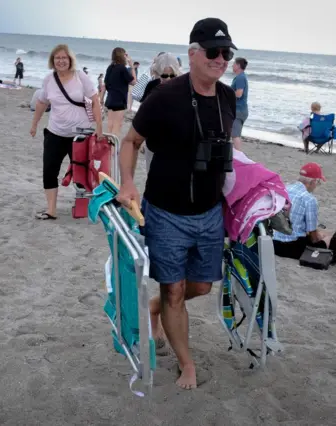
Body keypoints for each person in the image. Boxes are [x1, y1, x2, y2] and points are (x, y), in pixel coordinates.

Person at [116, 17, 237, 390]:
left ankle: (156, 311)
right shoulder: (164, 97)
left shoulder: (228, 98)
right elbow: (130, 141)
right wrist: (128, 182)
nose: (220, 60)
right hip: (166, 212)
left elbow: (228, 148)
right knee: (174, 290)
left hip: (209, 212)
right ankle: (187, 364)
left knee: (200, 287)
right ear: (193, 53)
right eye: (213, 52)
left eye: (226, 53)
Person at [30, 44, 103, 220]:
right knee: (49, 171)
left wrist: (99, 127)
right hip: (55, 133)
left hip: (80, 136)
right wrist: (34, 124)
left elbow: (95, 101)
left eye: (64, 58)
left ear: (70, 60)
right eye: (57, 58)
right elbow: (41, 102)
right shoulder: (49, 79)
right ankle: (51, 210)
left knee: (82, 173)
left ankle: (83, 207)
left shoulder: (81, 77)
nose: (61, 61)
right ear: (52, 61)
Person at [272, 163, 336, 261]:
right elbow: (313, 235)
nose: (316, 186)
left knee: (316, 232)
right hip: (292, 246)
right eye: (318, 182)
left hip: (273, 242)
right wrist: (320, 239)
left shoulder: (284, 188)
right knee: (328, 237)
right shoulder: (309, 199)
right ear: (312, 182)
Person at [138, 53, 182, 173]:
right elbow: (143, 117)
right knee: (152, 176)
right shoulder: (152, 86)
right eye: (164, 75)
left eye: (172, 75)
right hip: (153, 141)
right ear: (157, 73)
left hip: (177, 143)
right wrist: (142, 140)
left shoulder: (184, 87)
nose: (168, 78)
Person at [104, 47, 136, 136]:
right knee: (117, 126)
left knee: (110, 126)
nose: (127, 57)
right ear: (122, 56)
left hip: (110, 99)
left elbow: (106, 83)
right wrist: (132, 67)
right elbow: (133, 82)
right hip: (119, 100)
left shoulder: (110, 67)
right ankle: (113, 149)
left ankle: (109, 148)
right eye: (125, 55)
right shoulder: (122, 68)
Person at [230, 57, 249, 139]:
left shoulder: (240, 78)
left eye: (233, 64)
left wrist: (227, 93)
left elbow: (239, 94)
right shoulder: (240, 77)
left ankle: (237, 152)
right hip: (239, 110)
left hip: (239, 110)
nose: (232, 66)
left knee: (235, 136)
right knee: (234, 134)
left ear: (238, 65)